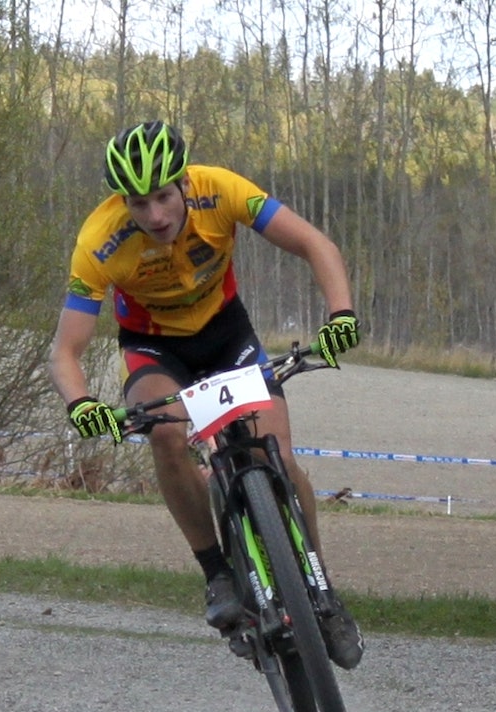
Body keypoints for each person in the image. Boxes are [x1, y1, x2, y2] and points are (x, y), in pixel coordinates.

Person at [48, 121, 364, 669]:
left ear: (185, 185)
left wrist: (341, 316)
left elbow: (315, 244)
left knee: (280, 458)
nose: (156, 216)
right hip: (156, 350)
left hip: (227, 336)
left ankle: (321, 588)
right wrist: (82, 405)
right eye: (139, 204)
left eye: (165, 197)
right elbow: (64, 351)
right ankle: (216, 573)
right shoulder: (98, 241)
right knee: (167, 434)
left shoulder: (222, 188)